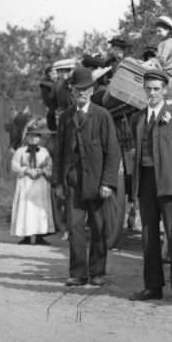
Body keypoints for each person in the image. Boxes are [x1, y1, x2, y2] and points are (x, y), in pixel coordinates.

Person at [130, 69, 172, 306]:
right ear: (144, 89)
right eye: (148, 88)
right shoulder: (137, 119)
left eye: (156, 89)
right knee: (148, 238)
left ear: (165, 90)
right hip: (146, 182)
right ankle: (153, 287)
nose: (152, 93)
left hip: (171, 184)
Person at [54, 66, 120, 286]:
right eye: (78, 89)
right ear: (72, 91)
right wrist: (57, 182)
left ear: (92, 91)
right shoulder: (65, 117)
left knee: (100, 227)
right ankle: (78, 273)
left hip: (97, 182)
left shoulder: (102, 116)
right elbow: (59, 152)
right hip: (73, 182)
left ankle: (97, 272)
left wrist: (108, 182)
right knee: (74, 228)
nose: (82, 93)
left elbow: (112, 151)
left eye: (86, 89)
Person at [10, 120, 55, 245]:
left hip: (40, 183)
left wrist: (41, 171)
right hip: (26, 183)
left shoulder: (44, 152)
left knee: (39, 209)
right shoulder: (21, 151)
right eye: (31, 136)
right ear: (27, 137)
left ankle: (40, 236)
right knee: (26, 208)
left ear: (39, 139)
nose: (34, 139)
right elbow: (14, 165)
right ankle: (26, 236)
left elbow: (50, 164)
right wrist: (26, 170)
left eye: (36, 136)